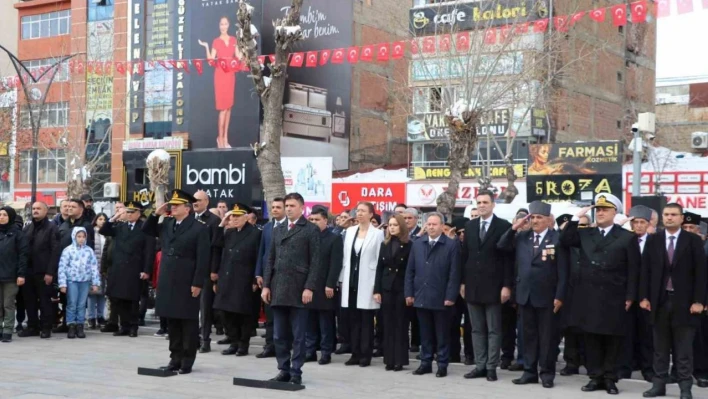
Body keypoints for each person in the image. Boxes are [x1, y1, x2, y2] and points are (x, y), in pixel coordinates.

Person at [560, 194, 640, 395]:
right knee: (591, 339)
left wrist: (630, 295)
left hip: (614, 296)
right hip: (589, 296)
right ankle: (595, 377)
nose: (601, 212)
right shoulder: (586, 233)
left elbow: (634, 270)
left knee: (612, 340)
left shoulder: (626, 237)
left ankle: (610, 378)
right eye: (598, 209)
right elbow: (565, 239)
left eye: (605, 209)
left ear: (615, 212)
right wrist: (577, 218)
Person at [497, 201, 568, 388]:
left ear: (548, 219)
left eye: (539, 217)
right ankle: (529, 372)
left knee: (547, 338)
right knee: (527, 337)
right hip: (525, 295)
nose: (535, 221)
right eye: (533, 217)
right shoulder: (523, 237)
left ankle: (546, 373)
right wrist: (514, 228)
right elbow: (502, 246)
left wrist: (560, 296)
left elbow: (563, 271)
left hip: (548, 297)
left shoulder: (557, 239)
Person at [640, 204, 707, 399]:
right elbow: (645, 271)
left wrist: (698, 301)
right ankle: (658, 385)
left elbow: (701, 274)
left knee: (683, 350)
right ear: (662, 217)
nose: (669, 218)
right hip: (659, 302)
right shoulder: (653, 240)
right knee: (660, 349)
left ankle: (685, 388)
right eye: (666, 214)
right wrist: (644, 297)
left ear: (681, 217)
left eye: (673, 215)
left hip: (685, 303)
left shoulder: (693, 241)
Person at [142, 189, 211, 374]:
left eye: (176, 205)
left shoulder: (199, 228)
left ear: (187, 208)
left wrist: (197, 283)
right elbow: (147, 230)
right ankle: (175, 358)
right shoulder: (168, 224)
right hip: (168, 279)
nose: (172, 207)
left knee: (187, 322)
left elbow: (203, 258)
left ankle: (187, 360)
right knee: (172, 322)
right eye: (171, 205)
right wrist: (155, 213)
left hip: (186, 280)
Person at [261, 192, 322, 385]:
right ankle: (283, 369)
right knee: (279, 334)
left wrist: (309, 287)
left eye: (292, 205)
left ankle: (296, 371)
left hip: (298, 288)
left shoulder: (310, 229)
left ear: (302, 208)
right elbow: (270, 258)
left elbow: (316, 261)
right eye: (286, 205)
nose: (288, 209)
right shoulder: (278, 229)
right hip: (278, 288)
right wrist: (267, 285)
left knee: (298, 335)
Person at [461, 191, 513, 382]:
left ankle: (491, 366)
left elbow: (508, 259)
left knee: (493, 329)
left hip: (494, 286)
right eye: (479, 202)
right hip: (473, 286)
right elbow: (465, 256)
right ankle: (480, 365)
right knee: (476, 329)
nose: (481, 205)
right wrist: (462, 282)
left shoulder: (503, 226)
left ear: (493, 204)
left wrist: (507, 286)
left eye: (485, 202)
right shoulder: (470, 225)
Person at [405, 212, 461, 378]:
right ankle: (425, 363)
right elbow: (410, 271)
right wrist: (409, 293)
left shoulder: (451, 245)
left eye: (434, 224)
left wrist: (451, 296)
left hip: (441, 297)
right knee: (425, 333)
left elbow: (454, 274)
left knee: (442, 334)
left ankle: (442, 364)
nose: (431, 227)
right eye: (428, 224)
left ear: (442, 227)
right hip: (421, 296)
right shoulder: (418, 244)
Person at [212, 203, 262, 357]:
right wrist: (222, 223)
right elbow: (216, 245)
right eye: (232, 215)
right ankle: (233, 341)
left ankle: (243, 344)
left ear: (246, 217)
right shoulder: (229, 233)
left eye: (238, 216)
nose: (234, 218)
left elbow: (258, 257)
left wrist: (255, 279)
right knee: (226, 313)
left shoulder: (255, 233)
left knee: (243, 315)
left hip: (244, 279)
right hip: (227, 278)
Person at [99, 202, 155, 338]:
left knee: (133, 300)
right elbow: (104, 230)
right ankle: (124, 326)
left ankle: (133, 326)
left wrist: (146, 270)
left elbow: (149, 252)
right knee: (119, 299)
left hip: (135, 269)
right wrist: (115, 217)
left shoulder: (144, 228)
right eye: (127, 212)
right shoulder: (120, 226)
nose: (129, 214)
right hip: (118, 269)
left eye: (132, 212)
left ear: (139, 213)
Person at [340, 202, 385, 368]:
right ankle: (355, 353)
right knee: (353, 318)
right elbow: (345, 257)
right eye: (357, 211)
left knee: (366, 319)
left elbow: (379, 260)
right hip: (351, 278)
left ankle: (365, 354)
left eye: (363, 211)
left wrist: (377, 286)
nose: (359, 214)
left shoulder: (378, 234)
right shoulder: (350, 231)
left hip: (368, 279)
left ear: (371, 214)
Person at [617, 206, 655, 382]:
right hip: (627, 294)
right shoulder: (626, 240)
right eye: (635, 222)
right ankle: (625, 367)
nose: (638, 226)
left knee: (647, 334)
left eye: (642, 222)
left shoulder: (656, 243)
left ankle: (648, 368)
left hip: (648, 296)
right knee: (627, 333)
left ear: (649, 224)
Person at [197, 16, 244, 148]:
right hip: (220, 75)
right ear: (219, 26)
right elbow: (211, 60)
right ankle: (220, 139)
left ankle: (226, 138)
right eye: (221, 24)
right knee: (223, 108)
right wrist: (206, 46)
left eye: (225, 24)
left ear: (228, 25)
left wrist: (243, 44)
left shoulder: (234, 40)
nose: (223, 26)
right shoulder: (216, 41)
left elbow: (239, 57)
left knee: (229, 108)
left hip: (230, 75)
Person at [305, 205, 343, 365]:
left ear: (325, 221)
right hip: (309, 286)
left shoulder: (333, 238)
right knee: (309, 321)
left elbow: (336, 263)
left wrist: (330, 284)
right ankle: (310, 351)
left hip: (325, 286)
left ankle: (326, 352)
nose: (314, 222)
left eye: (317, 220)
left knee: (325, 322)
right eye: (311, 219)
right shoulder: (307, 236)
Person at [374, 214, 411, 371]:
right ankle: (389, 359)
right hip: (387, 287)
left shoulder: (409, 245)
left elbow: (410, 270)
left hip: (401, 288)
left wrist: (409, 292)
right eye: (390, 225)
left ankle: (400, 360)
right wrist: (377, 290)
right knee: (387, 324)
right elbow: (379, 268)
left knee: (400, 324)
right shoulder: (385, 244)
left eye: (395, 224)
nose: (392, 227)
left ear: (401, 226)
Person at [18, 202, 59, 339]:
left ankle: (46, 327)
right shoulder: (27, 228)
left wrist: (50, 272)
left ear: (46, 211)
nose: (35, 211)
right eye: (33, 209)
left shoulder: (52, 228)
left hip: (43, 271)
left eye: (38, 208)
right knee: (29, 301)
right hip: (28, 272)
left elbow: (55, 252)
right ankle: (32, 326)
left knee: (44, 301)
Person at [254, 197, 286, 359]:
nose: (275, 210)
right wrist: (258, 273)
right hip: (268, 277)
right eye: (273, 207)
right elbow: (262, 251)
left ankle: (283, 345)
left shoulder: (291, 227)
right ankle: (269, 346)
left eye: (278, 207)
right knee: (269, 313)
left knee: (283, 314)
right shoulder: (267, 227)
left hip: (285, 277)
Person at [192, 190, 222, 354]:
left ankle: (205, 340)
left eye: (199, 200)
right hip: (190, 268)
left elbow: (216, 248)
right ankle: (193, 339)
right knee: (190, 306)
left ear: (206, 202)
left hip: (205, 271)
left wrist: (213, 270)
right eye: (193, 200)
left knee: (205, 307)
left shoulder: (213, 220)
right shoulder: (190, 218)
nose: (195, 203)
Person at [57, 227, 100, 339]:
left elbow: (94, 267)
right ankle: (71, 325)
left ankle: (80, 325)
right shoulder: (68, 250)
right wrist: (62, 284)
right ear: (74, 237)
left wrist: (95, 282)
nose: (81, 239)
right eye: (79, 236)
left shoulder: (89, 251)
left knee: (81, 304)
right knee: (72, 303)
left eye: (83, 236)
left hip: (84, 281)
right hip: (72, 281)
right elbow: (62, 267)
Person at [0, 207, 28, 342]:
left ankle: (7, 330)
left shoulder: (17, 233)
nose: (1, 217)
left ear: (10, 217)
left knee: (8, 304)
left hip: (11, 276)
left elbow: (23, 255)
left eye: (4, 215)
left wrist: (21, 274)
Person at [88, 213, 108, 330]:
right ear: (95, 220)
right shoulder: (92, 233)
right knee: (92, 294)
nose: (102, 221)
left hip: (104, 268)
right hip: (93, 267)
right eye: (100, 219)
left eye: (104, 219)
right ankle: (91, 317)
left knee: (102, 294)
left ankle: (101, 316)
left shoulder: (107, 233)